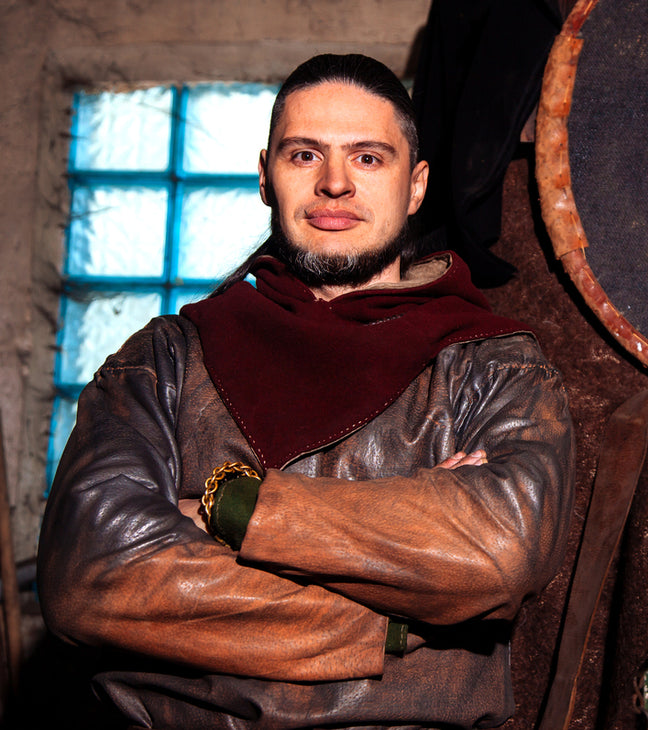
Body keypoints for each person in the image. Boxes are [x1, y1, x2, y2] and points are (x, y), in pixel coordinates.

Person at [37, 54, 574, 730]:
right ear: (266, 175)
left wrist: (229, 507)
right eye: (304, 155)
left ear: (416, 185)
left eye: (369, 159)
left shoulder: (495, 366)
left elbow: (501, 551)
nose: (335, 184)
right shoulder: (163, 358)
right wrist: (396, 622)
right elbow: (90, 577)